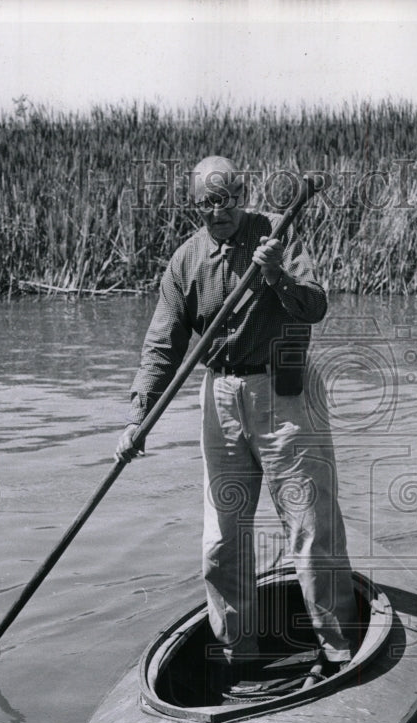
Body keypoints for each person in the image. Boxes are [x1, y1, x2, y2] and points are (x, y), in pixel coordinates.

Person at [116, 156, 356, 679]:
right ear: (195, 206)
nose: (218, 211)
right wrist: (138, 414)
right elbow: (163, 343)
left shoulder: (276, 233)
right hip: (220, 395)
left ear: (242, 195)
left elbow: (315, 306)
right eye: (207, 203)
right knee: (221, 540)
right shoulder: (186, 261)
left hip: (283, 387)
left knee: (310, 525)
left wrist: (274, 276)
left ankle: (338, 650)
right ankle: (236, 656)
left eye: (226, 199)